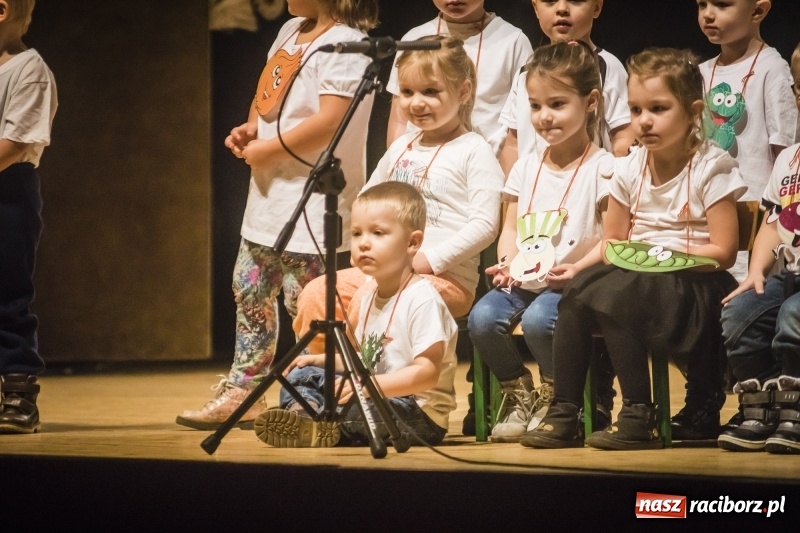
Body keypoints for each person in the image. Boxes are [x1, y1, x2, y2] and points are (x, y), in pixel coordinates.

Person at [521, 48, 747, 450]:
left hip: (695, 283)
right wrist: (579, 269)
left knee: (617, 297)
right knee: (577, 297)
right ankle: (567, 410)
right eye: (636, 109)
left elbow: (724, 251)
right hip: (638, 279)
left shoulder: (712, 166)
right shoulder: (627, 167)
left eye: (658, 108)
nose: (644, 121)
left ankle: (639, 413)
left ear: (693, 111)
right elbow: (614, 242)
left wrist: (667, 258)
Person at [176, 0, 379, 430]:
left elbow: (330, 120)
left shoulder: (347, 44)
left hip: (310, 199)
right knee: (249, 292)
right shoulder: (289, 31)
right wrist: (252, 128)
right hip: (268, 197)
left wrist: (270, 148)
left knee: (304, 304)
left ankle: (306, 394)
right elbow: (267, 97)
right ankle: (243, 392)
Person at [292, 36, 503, 364]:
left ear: (463, 92)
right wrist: (363, 242)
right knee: (317, 294)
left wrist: (426, 261)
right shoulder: (402, 146)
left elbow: (486, 224)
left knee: (368, 298)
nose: (417, 103)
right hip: (383, 272)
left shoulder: (475, 150)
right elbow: (366, 198)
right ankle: (322, 383)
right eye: (407, 92)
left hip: (443, 278)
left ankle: (372, 390)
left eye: (430, 92)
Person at [467, 41, 611, 443]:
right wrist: (508, 261)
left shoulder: (604, 168)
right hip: (526, 279)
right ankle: (520, 393)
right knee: (482, 318)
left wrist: (577, 270)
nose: (544, 117)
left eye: (557, 104)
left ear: (591, 101)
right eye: (535, 106)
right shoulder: (526, 166)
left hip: (576, 282)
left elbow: (612, 239)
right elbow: (510, 227)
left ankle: (560, 397)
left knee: (539, 320)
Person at [255, 181, 458, 447]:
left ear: (412, 242)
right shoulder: (369, 295)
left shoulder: (422, 299)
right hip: (373, 391)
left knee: (357, 409)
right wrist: (321, 360)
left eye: (377, 233)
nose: (363, 243)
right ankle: (304, 416)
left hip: (416, 412)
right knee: (301, 373)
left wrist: (370, 386)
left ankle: (319, 422)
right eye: (357, 234)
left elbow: (426, 374)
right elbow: (364, 361)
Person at [696, 0, 798, 283]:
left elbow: (785, 153)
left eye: (722, 5)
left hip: (756, 218)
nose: (708, 14)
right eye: (701, 4)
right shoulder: (701, 72)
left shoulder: (772, 69)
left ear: (758, 11)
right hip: (709, 215)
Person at [718, 142, 800, 454]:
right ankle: (767, 405)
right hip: (794, 273)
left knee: (794, 313)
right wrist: (756, 272)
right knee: (740, 311)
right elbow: (773, 221)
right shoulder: (789, 158)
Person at [0, 0, 58, 435]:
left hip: (9, 194)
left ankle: (19, 394)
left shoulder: (29, 70)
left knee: (8, 297)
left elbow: (15, 143)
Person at [498, 0, 634, 176]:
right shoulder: (527, 71)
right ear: (535, 8)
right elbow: (513, 143)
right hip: (531, 190)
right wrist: (509, 196)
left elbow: (623, 137)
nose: (562, 9)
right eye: (550, 1)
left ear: (597, 6)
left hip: (585, 186)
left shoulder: (605, 67)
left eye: (575, 0)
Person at [385, 0, 532, 156]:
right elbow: (400, 120)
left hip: (485, 167)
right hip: (416, 165)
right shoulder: (413, 38)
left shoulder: (513, 41)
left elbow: (520, 129)